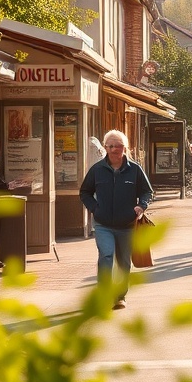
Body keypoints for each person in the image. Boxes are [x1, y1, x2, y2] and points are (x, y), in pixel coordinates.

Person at [79, 129, 153, 310]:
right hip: (103, 224)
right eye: (110, 146)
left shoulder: (134, 169)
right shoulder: (97, 170)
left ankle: (120, 297)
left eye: (117, 146)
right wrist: (95, 208)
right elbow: (84, 192)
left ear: (124, 148)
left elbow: (147, 191)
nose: (113, 149)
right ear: (105, 148)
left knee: (124, 263)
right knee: (106, 256)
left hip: (127, 225)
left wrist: (141, 206)